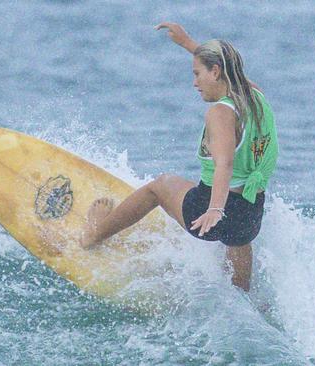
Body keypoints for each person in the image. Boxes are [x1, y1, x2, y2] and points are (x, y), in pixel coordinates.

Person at [80, 22, 278, 292]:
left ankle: (93, 235)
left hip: (213, 211)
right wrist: (188, 44)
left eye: (198, 74)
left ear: (216, 72)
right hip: (250, 213)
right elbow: (233, 74)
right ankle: (242, 295)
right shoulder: (256, 96)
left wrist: (214, 210)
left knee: (159, 187)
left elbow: (225, 163)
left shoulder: (221, 112)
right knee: (237, 241)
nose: (195, 83)